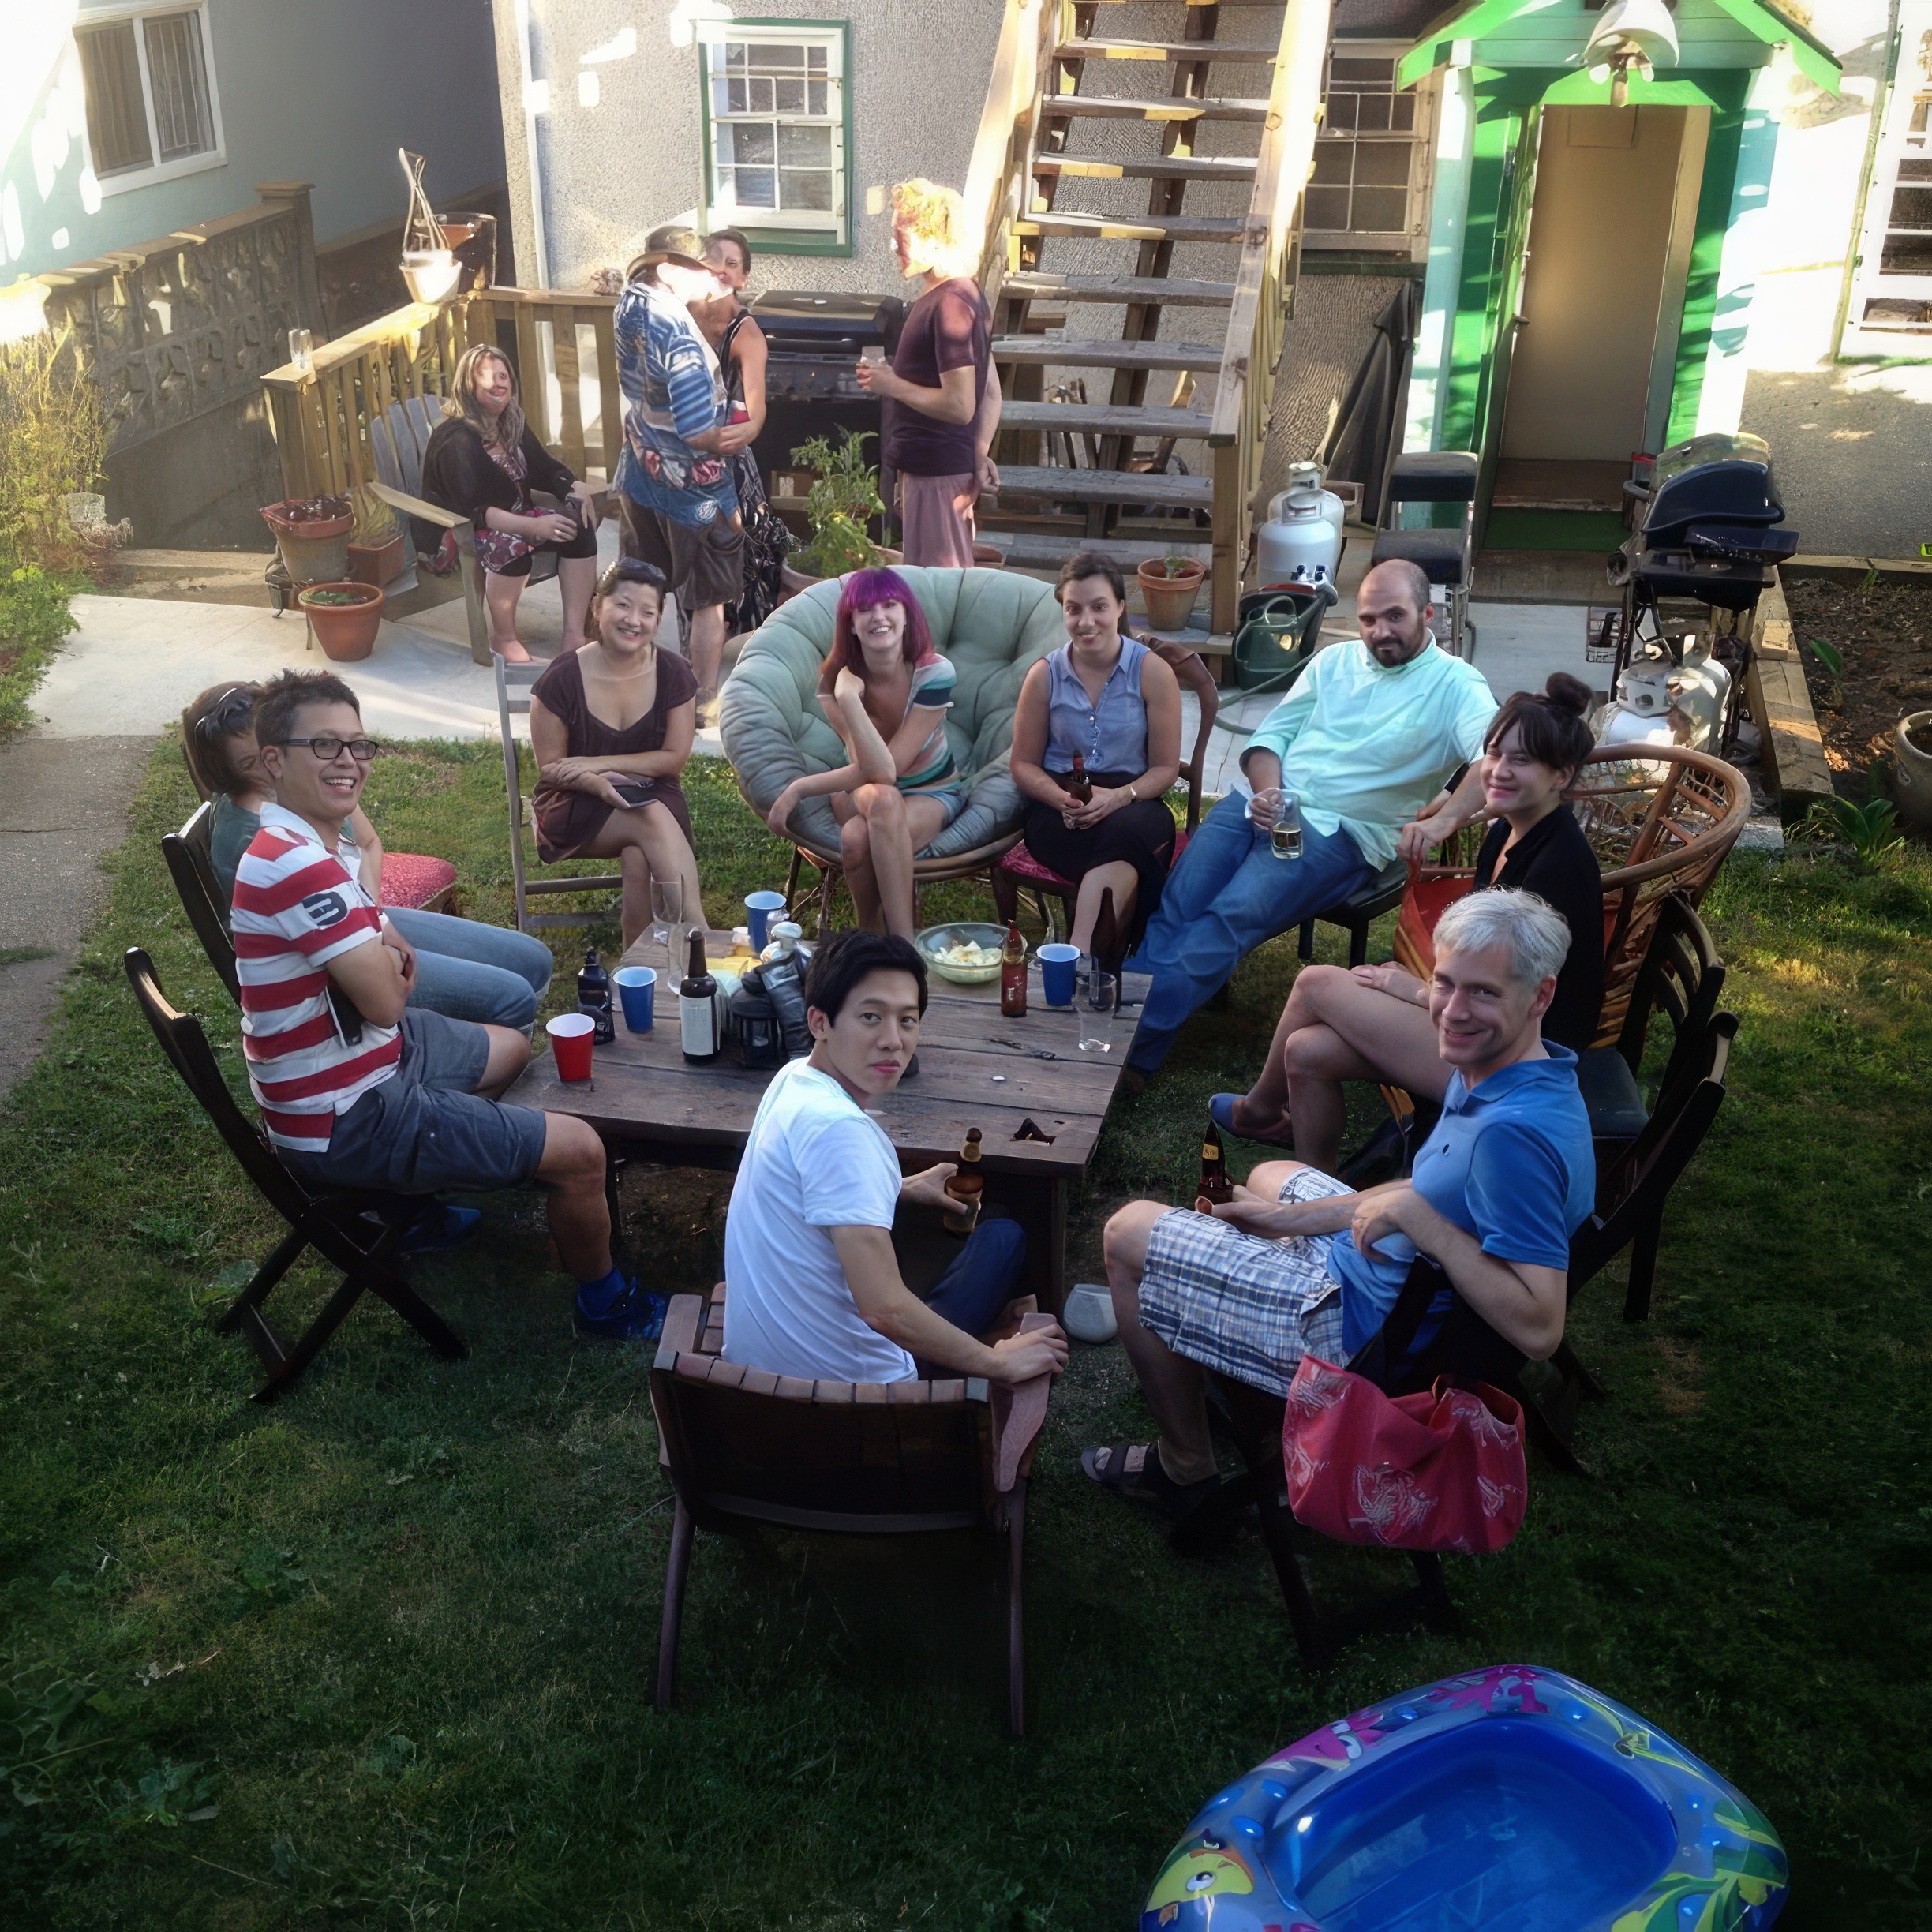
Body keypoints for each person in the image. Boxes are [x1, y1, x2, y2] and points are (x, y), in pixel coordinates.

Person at [1085, 889, 1594, 1513]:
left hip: (1363, 1334)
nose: (1452, 1013)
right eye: (1445, 985)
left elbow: (1541, 1328)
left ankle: (1184, 1463)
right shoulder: (1511, 1070)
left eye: (1484, 993)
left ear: (1540, 996)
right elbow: (1442, 1192)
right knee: (1273, 1173)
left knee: (1126, 1234)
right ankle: (1228, 1320)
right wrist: (1280, 1221)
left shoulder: (1510, 1138)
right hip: (1395, 1274)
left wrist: (1419, 1223)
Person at [230, 668, 664, 1339]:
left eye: (357, 745)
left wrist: (383, 953)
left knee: (515, 1048)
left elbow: (380, 952)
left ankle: (421, 1201)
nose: (348, 762)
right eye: (324, 745)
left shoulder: (310, 841)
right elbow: (385, 1002)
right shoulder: (298, 865)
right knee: (582, 1150)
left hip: (358, 1067)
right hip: (348, 1115)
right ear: (272, 761)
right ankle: (605, 1305)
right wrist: (389, 965)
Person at [1211, 672, 1606, 1171]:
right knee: (1307, 1051)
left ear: (1561, 776)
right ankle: (1314, 1195)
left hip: (1518, 1058)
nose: (1498, 770)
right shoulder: (1509, 828)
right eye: (1494, 753)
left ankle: (1260, 1110)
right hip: (1480, 1020)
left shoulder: (1558, 867)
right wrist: (1416, 988)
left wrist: (1413, 991)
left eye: (1520, 760)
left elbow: (1505, 997)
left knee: (1315, 982)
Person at [1123, 559, 1499, 1078]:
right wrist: (1269, 791)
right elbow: (1268, 739)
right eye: (1368, 619)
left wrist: (1440, 823)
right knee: (1178, 902)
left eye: (1395, 616)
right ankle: (1123, 1021)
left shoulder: (1457, 685)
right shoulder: (1334, 661)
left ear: (1427, 614)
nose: (1379, 631)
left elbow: (1493, 762)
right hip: (1261, 803)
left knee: (1229, 915)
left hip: (1341, 834)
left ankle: (1121, 1044)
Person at [722, 930, 1069, 1387]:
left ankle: (1006, 1316)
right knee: (1003, 1235)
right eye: (870, 1017)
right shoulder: (843, 1132)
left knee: (987, 1228)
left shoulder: (792, 1079)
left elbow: (807, 1191)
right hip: (862, 1395)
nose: (893, 1041)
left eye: (908, 1020)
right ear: (820, 1022)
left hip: (759, 1371)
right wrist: (996, 1363)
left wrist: (897, 1187)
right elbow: (884, 1308)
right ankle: (1006, 1333)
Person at [182, 680, 554, 1034]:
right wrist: (375, 934)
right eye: (253, 764)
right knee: (511, 997)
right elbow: (343, 958)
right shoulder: (260, 839)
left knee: (534, 960)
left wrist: (371, 911)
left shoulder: (309, 785)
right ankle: (478, 1063)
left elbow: (369, 841)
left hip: (363, 915)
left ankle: (486, 1051)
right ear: (230, 773)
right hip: (336, 971)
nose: (271, 768)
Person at [763, 567, 965, 940]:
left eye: (890, 605)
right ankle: (883, 939)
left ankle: (887, 942)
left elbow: (888, 770)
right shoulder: (831, 682)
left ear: (907, 615)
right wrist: (841, 693)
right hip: (864, 791)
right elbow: (870, 769)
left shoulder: (934, 674)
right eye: (865, 609)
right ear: (851, 624)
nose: (879, 616)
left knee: (858, 836)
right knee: (882, 801)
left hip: (932, 792)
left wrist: (800, 788)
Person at [612, 223, 756, 721]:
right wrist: (728, 436)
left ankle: (631, 686)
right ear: (671, 270)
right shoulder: (682, 339)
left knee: (637, 586)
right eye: (698, 269)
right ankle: (699, 700)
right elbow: (697, 432)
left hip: (638, 469)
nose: (708, 277)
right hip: (695, 492)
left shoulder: (629, 306)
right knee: (709, 597)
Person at [1008, 553, 1183, 961]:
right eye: (1074, 609)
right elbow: (1022, 764)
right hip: (1060, 811)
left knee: (1123, 832)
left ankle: (1078, 956)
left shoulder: (1152, 672)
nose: (1086, 622)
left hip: (1135, 802)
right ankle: (1110, 961)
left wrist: (1118, 798)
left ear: (1121, 608)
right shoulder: (1043, 675)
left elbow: (1165, 769)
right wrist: (1060, 801)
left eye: (1099, 607)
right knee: (1121, 850)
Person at [529, 557, 703, 951]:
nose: (634, 620)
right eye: (623, 605)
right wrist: (596, 782)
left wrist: (601, 763)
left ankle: (635, 962)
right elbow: (552, 769)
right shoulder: (561, 679)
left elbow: (673, 758)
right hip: (575, 804)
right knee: (650, 816)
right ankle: (697, 940)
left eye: (648, 611)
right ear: (597, 607)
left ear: (658, 621)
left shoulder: (674, 674)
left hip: (652, 792)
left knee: (640, 853)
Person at [420, 344, 602, 665]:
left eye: (503, 375)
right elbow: (480, 510)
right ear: (468, 385)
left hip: (513, 516)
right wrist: (533, 526)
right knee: (511, 545)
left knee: (578, 527)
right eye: (486, 376)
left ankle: (574, 633)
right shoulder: (456, 440)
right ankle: (503, 638)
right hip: (460, 531)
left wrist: (574, 486)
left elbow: (543, 467)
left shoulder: (511, 424)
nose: (497, 382)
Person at [856, 179, 1002, 568]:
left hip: (938, 477)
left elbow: (960, 405)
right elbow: (989, 392)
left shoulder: (950, 303)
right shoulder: (962, 295)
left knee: (941, 599)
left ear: (935, 240)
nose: (892, 246)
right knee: (930, 594)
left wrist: (893, 384)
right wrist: (979, 452)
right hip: (936, 472)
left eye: (901, 235)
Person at [695, 227, 792, 637]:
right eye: (712, 260)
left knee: (741, 556)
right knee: (690, 561)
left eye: (731, 264)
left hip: (727, 455)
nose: (719, 269)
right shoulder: (681, 317)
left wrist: (738, 434)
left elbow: (756, 412)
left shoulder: (747, 335)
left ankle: (745, 647)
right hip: (678, 456)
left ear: (743, 277)